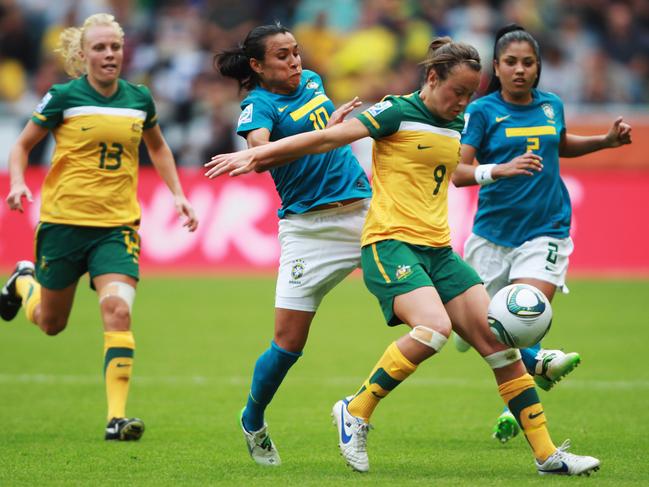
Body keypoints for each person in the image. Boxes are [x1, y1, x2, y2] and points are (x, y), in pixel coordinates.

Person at [205, 37, 600, 476]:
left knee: (498, 346)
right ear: (432, 78)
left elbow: (454, 173)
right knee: (300, 341)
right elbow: (329, 138)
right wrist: (258, 152)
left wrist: (500, 168)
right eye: (458, 92)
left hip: (411, 235)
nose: (464, 103)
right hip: (342, 233)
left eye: (471, 94)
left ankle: (547, 455)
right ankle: (328, 412)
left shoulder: (456, 120)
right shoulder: (392, 111)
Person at [1, 13, 198, 441]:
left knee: (118, 310)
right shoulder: (62, 97)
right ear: (83, 54)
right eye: (100, 48)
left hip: (116, 227)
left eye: (115, 47)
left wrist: (179, 194)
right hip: (63, 224)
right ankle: (22, 282)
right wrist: (17, 181)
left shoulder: (139, 99)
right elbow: (21, 145)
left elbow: (159, 148)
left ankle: (116, 418)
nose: (109, 55)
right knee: (51, 323)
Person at [452, 24, 632, 443]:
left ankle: (519, 398)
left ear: (538, 68)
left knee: (525, 316)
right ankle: (537, 366)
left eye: (527, 63)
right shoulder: (481, 112)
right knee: (474, 327)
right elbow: (459, 173)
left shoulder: (551, 105)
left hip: (546, 230)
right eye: (510, 62)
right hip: (491, 235)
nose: (519, 70)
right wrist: (499, 170)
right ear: (495, 68)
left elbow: (560, 144)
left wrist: (605, 141)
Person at [214, 24, 371, 466]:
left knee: (426, 283)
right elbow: (259, 154)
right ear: (258, 66)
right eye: (282, 56)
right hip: (308, 231)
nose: (295, 61)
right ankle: (253, 418)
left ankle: (523, 353)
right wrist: (315, 139)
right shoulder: (257, 106)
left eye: (296, 52)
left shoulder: (314, 82)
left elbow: (322, 135)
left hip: (361, 213)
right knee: (288, 345)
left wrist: (331, 130)